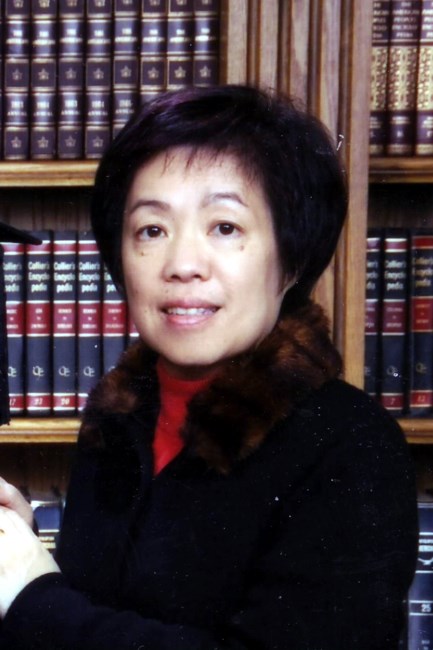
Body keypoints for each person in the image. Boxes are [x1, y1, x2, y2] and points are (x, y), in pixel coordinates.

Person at [0, 85, 418, 649]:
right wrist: (22, 551)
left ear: (291, 260)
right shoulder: (118, 420)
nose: (183, 264)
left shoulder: (351, 446)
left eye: (225, 227)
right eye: (151, 230)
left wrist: (34, 600)